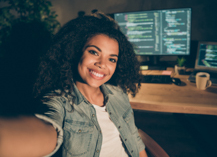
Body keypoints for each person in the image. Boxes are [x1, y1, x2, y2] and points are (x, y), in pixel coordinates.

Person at [0, 11, 147, 157]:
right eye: (94, 52)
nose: (102, 64)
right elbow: (46, 130)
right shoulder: (59, 102)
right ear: (75, 51)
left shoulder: (118, 94)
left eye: (112, 59)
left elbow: (135, 140)